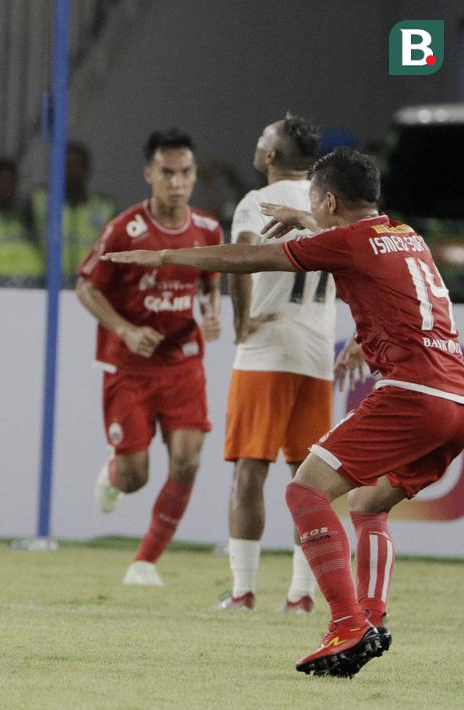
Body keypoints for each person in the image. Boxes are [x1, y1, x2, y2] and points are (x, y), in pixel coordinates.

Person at [101, 147, 455, 678]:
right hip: (456, 396)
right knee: (370, 503)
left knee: (304, 489)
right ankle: (372, 621)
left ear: (329, 198)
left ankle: (346, 623)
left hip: (411, 392)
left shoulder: (346, 241)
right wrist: (307, 219)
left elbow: (246, 260)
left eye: (315, 198)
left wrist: (163, 257)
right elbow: (360, 243)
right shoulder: (406, 234)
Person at [76, 128, 222, 586]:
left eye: (185, 173)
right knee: (135, 476)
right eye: (167, 173)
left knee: (188, 460)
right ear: (149, 175)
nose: (176, 183)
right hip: (130, 366)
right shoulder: (126, 230)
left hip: (183, 362)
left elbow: (211, 281)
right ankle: (114, 472)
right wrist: (124, 328)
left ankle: (144, 562)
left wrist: (212, 313)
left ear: (194, 175)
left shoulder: (208, 229)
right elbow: (86, 286)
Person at [218, 114, 329, 613]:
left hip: (265, 351)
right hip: (318, 353)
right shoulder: (330, 204)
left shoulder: (256, 202)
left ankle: (243, 591)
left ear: (270, 156)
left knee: (249, 472)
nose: (259, 141)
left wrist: (241, 321)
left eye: (264, 137)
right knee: (311, 481)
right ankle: (302, 595)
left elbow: (241, 260)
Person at [31, 141, 116, 286]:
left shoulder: (104, 206)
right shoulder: (39, 200)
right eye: (66, 165)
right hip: (48, 284)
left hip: (89, 282)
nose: (71, 170)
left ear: (87, 169)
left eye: (77, 165)